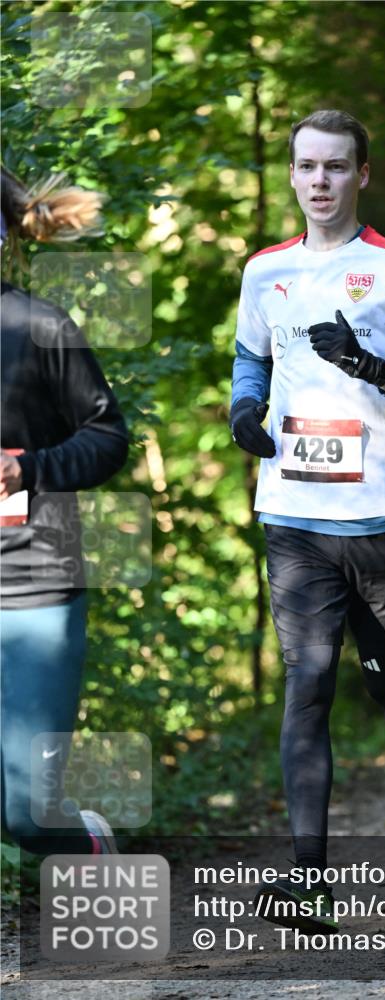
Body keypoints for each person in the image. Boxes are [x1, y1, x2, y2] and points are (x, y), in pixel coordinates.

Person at [230, 110, 385, 933]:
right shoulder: (265, 270)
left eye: (335, 166)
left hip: (383, 516)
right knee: (308, 684)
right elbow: (251, 354)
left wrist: (369, 365)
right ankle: (308, 882)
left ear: (361, 174)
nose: (320, 181)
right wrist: (244, 408)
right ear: (292, 174)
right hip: (293, 512)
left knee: (383, 677)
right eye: (307, 166)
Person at [0, 165, 129, 856]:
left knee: (28, 816)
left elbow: (108, 438)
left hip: (32, 585)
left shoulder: (39, 326)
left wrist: (28, 468)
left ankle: (89, 846)